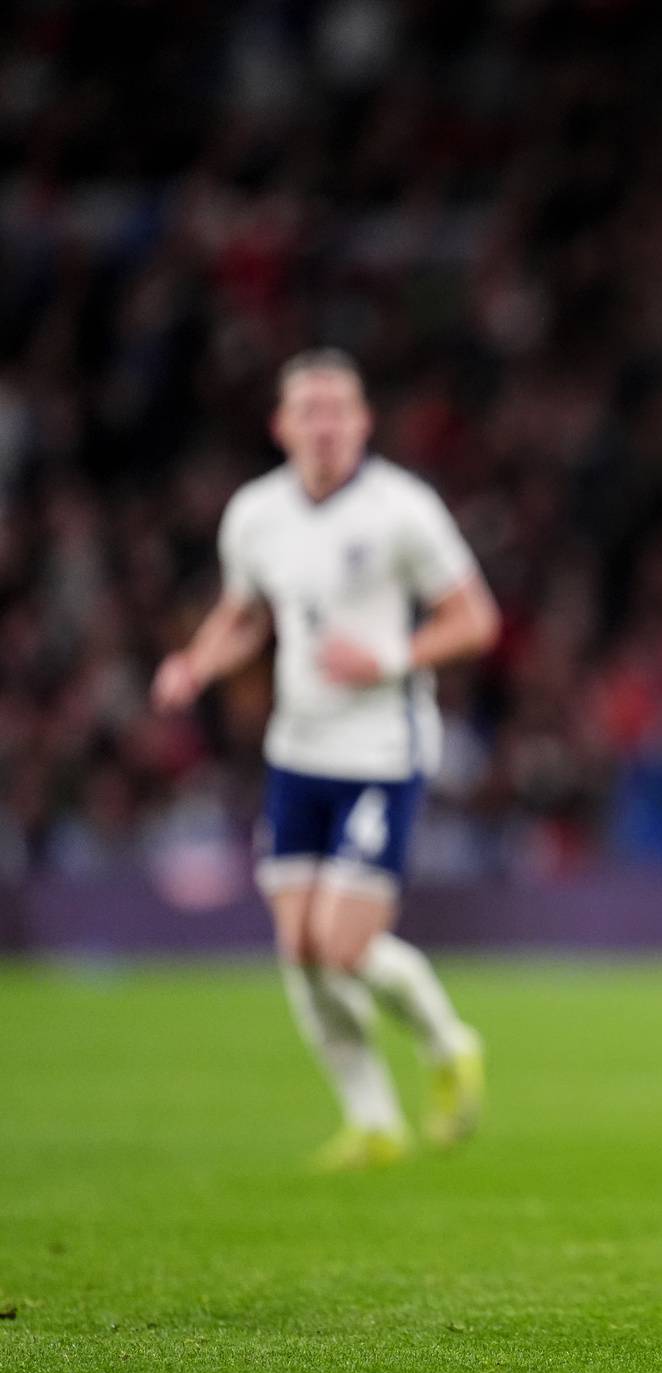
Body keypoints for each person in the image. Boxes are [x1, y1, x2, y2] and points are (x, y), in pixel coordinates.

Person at [153, 348, 499, 1171]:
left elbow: (475, 620)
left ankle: (450, 1043)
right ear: (282, 425)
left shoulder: (402, 509)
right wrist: (197, 661)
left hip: (382, 747)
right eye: (307, 409)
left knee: (340, 944)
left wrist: (387, 657)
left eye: (338, 407)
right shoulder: (255, 515)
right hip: (297, 748)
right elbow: (244, 614)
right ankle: (373, 1119)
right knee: (298, 950)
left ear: (363, 421)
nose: (323, 422)